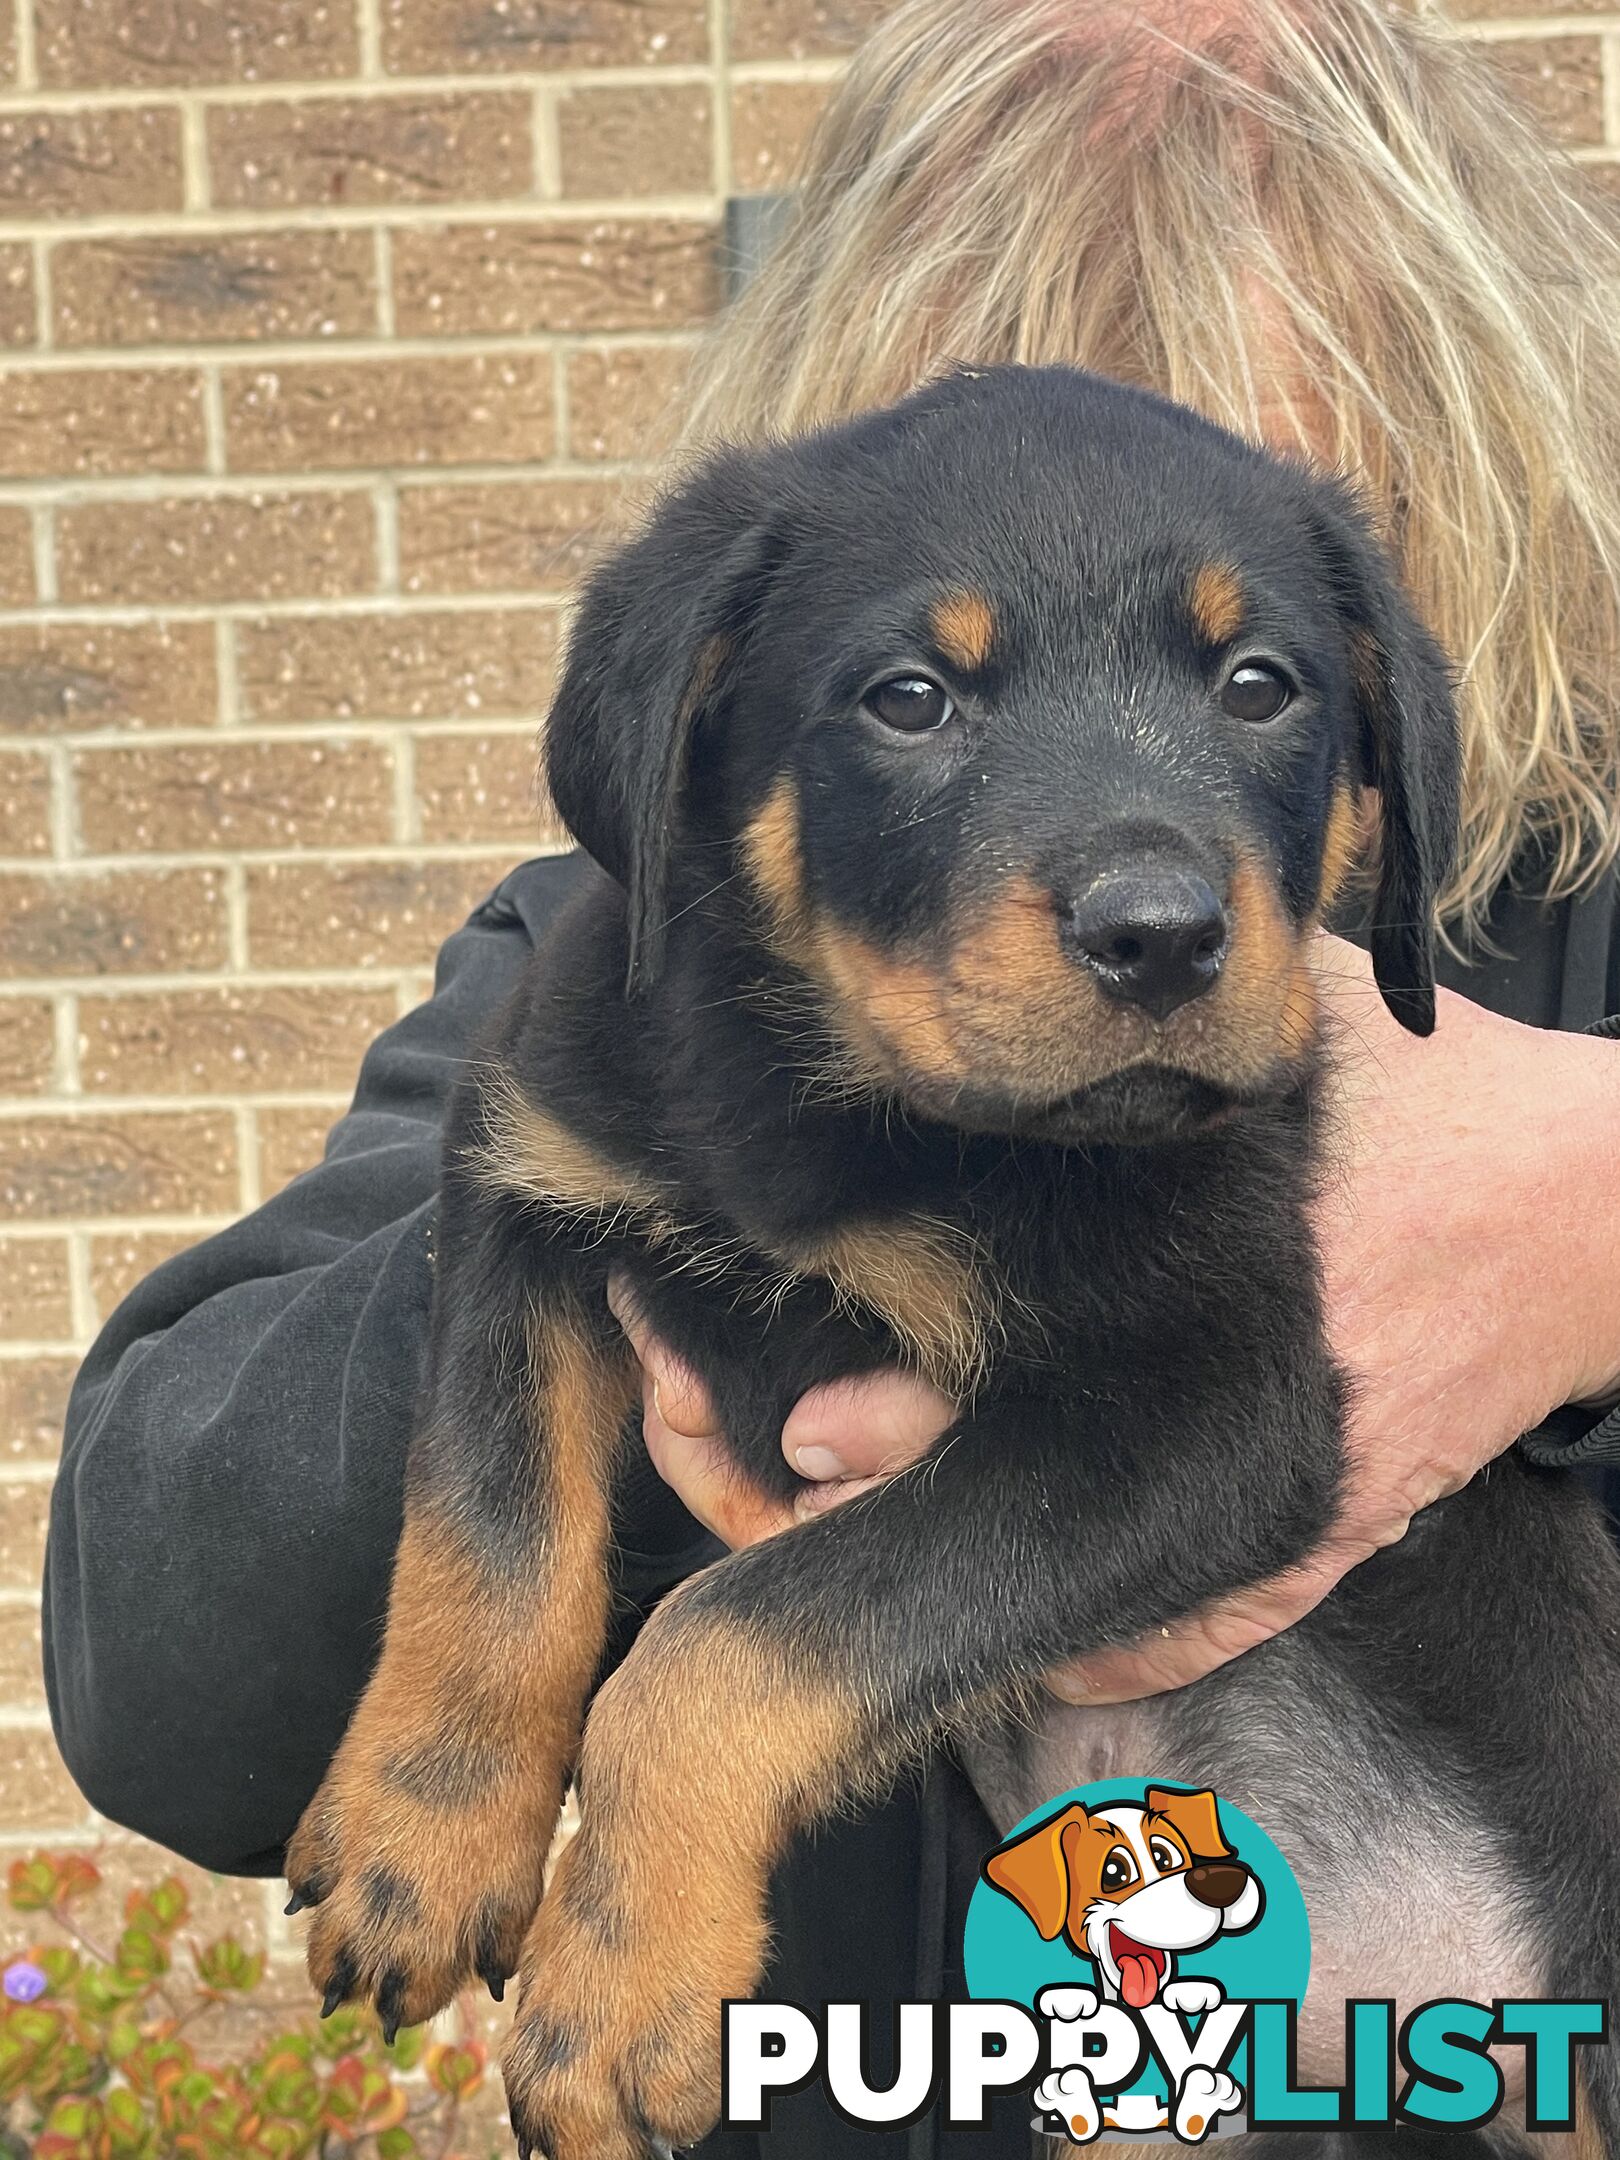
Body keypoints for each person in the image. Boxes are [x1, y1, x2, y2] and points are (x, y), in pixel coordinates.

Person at [45, 0, 1620, 2150]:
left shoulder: (1567, 915)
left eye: (1236, 664)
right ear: (722, 709)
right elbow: (165, 1664)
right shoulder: (610, 956)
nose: (1131, 853)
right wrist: (634, 1310)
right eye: (924, 680)